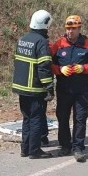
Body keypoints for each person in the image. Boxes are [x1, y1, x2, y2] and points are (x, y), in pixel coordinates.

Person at [50, 15, 88, 162]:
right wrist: (60, 69)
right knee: (63, 117)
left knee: (80, 118)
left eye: (73, 29)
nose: (70, 31)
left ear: (79, 29)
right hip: (63, 89)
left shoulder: (87, 44)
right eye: (68, 28)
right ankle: (65, 146)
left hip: (81, 90)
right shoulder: (59, 44)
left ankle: (78, 147)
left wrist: (83, 68)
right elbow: (48, 64)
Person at [12, 9, 54, 159]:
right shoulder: (41, 42)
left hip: (21, 88)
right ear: (45, 25)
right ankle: (35, 150)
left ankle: (25, 148)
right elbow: (44, 67)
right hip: (35, 89)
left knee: (27, 118)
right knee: (36, 118)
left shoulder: (23, 39)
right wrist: (49, 87)